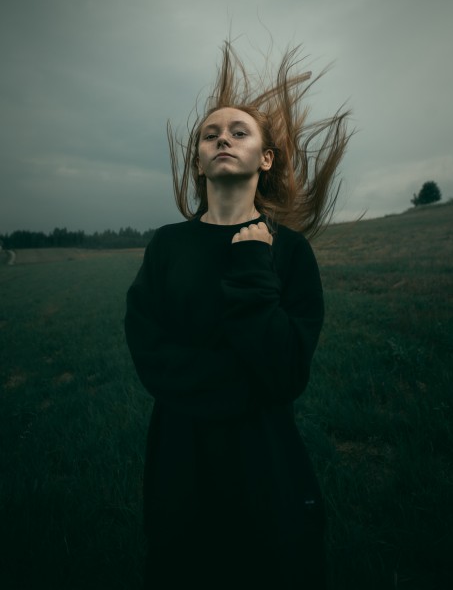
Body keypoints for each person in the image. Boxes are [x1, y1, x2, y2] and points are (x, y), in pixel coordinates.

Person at [125, 41, 351, 589]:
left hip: (267, 463)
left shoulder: (288, 252)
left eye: (239, 131)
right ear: (198, 159)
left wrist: (253, 264)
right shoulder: (167, 247)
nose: (222, 137)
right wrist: (243, 390)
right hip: (181, 461)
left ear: (265, 159)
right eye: (210, 134)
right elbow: (152, 355)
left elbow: (286, 370)